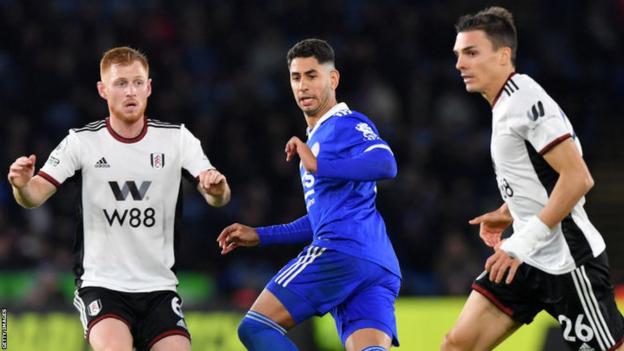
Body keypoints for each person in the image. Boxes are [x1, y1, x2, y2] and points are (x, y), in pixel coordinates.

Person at [7, 46, 231, 351]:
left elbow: (217, 195)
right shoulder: (82, 142)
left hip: (159, 288)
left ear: (149, 87)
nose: (131, 92)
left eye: (138, 83)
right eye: (121, 83)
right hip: (102, 285)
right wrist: (21, 186)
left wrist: (217, 190)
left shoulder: (177, 139)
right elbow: (33, 196)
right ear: (102, 90)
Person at [443, 6, 624, 351]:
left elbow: (577, 178)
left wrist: (519, 244)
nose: (459, 64)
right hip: (527, 257)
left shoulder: (525, 101)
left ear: (503, 55)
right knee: (457, 345)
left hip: (568, 259)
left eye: (471, 52)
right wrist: (509, 211)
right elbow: (545, 176)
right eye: (457, 55)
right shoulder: (506, 103)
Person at [217, 38, 401, 351]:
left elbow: (387, 163)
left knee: (256, 327)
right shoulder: (318, 137)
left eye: (312, 75)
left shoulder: (345, 123)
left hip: (341, 251)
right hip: (377, 263)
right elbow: (321, 218)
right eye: (296, 77)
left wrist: (319, 163)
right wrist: (261, 235)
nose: (303, 85)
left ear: (333, 78)